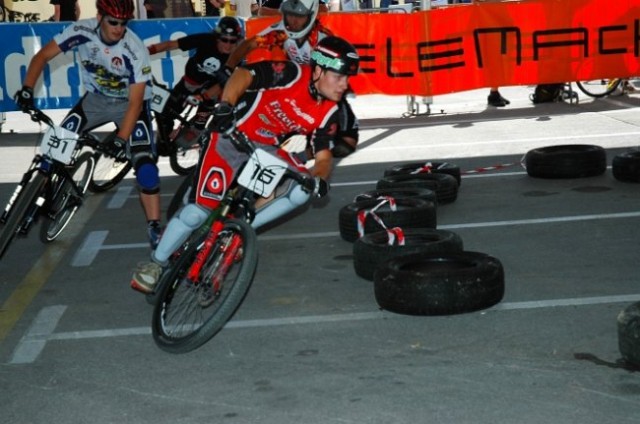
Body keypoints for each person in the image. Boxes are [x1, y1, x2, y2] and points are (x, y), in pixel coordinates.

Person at [130, 36, 360, 294]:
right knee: (198, 212)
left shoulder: (330, 110)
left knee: (302, 190)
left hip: (266, 148)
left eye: (347, 78)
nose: (345, 84)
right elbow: (244, 74)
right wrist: (225, 105)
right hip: (231, 134)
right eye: (339, 77)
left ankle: (240, 230)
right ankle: (155, 264)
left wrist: (318, 178)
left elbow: (323, 157)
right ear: (318, 70)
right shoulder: (291, 74)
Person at [14, 0, 163, 249]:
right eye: (113, 22)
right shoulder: (82, 32)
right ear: (99, 16)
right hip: (94, 101)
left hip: (130, 107)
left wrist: (120, 139)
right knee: (55, 145)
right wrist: (27, 89)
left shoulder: (134, 48)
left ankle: (155, 228)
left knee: (146, 168)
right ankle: (41, 193)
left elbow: (137, 102)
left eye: (123, 23)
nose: (118, 28)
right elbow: (42, 56)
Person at [221, 0, 358, 158]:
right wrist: (229, 65)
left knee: (343, 142)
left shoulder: (323, 39)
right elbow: (251, 44)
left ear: (311, 16)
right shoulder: (281, 31)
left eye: (299, 16)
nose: (293, 21)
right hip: (293, 79)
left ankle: (297, 158)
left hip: (319, 88)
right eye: (291, 15)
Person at [147, 16, 244, 154]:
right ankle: (163, 142)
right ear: (217, 38)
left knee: (197, 125)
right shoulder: (205, 40)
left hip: (212, 91)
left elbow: (223, 85)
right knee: (165, 114)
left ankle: (200, 139)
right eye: (224, 40)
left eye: (232, 41)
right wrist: (148, 50)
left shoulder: (237, 56)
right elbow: (171, 45)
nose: (228, 45)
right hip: (190, 83)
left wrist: (203, 97)